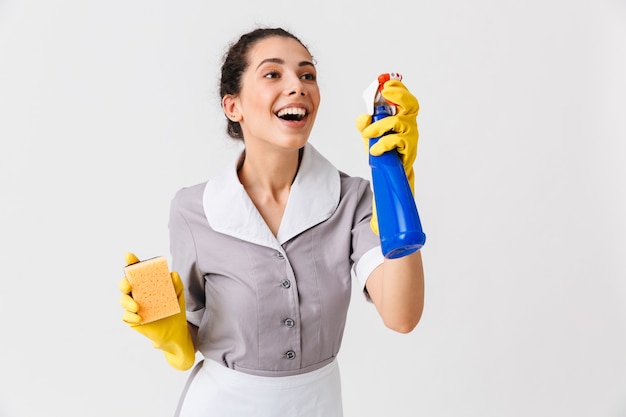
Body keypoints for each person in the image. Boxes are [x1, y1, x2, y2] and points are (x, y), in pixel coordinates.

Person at [119, 27, 425, 417]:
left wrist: (396, 187)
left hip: (317, 405)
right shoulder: (192, 210)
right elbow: (191, 332)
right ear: (233, 107)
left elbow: (402, 316)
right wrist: (168, 334)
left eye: (307, 75)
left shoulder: (355, 199)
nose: (297, 86)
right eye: (273, 74)